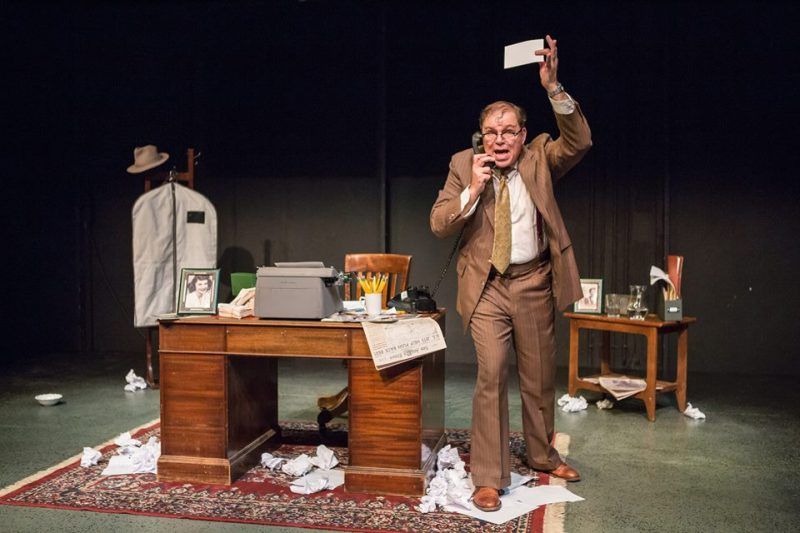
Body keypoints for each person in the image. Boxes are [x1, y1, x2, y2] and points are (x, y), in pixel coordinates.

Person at [430, 35, 592, 513]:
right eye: (490, 133)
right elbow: (439, 224)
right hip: (485, 286)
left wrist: (553, 85)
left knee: (539, 375)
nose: (499, 141)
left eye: (508, 132)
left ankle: (542, 454)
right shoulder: (464, 165)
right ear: (481, 136)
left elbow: (580, 140)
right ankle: (488, 475)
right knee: (491, 372)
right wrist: (472, 189)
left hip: (533, 280)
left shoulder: (541, 156)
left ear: (523, 134)